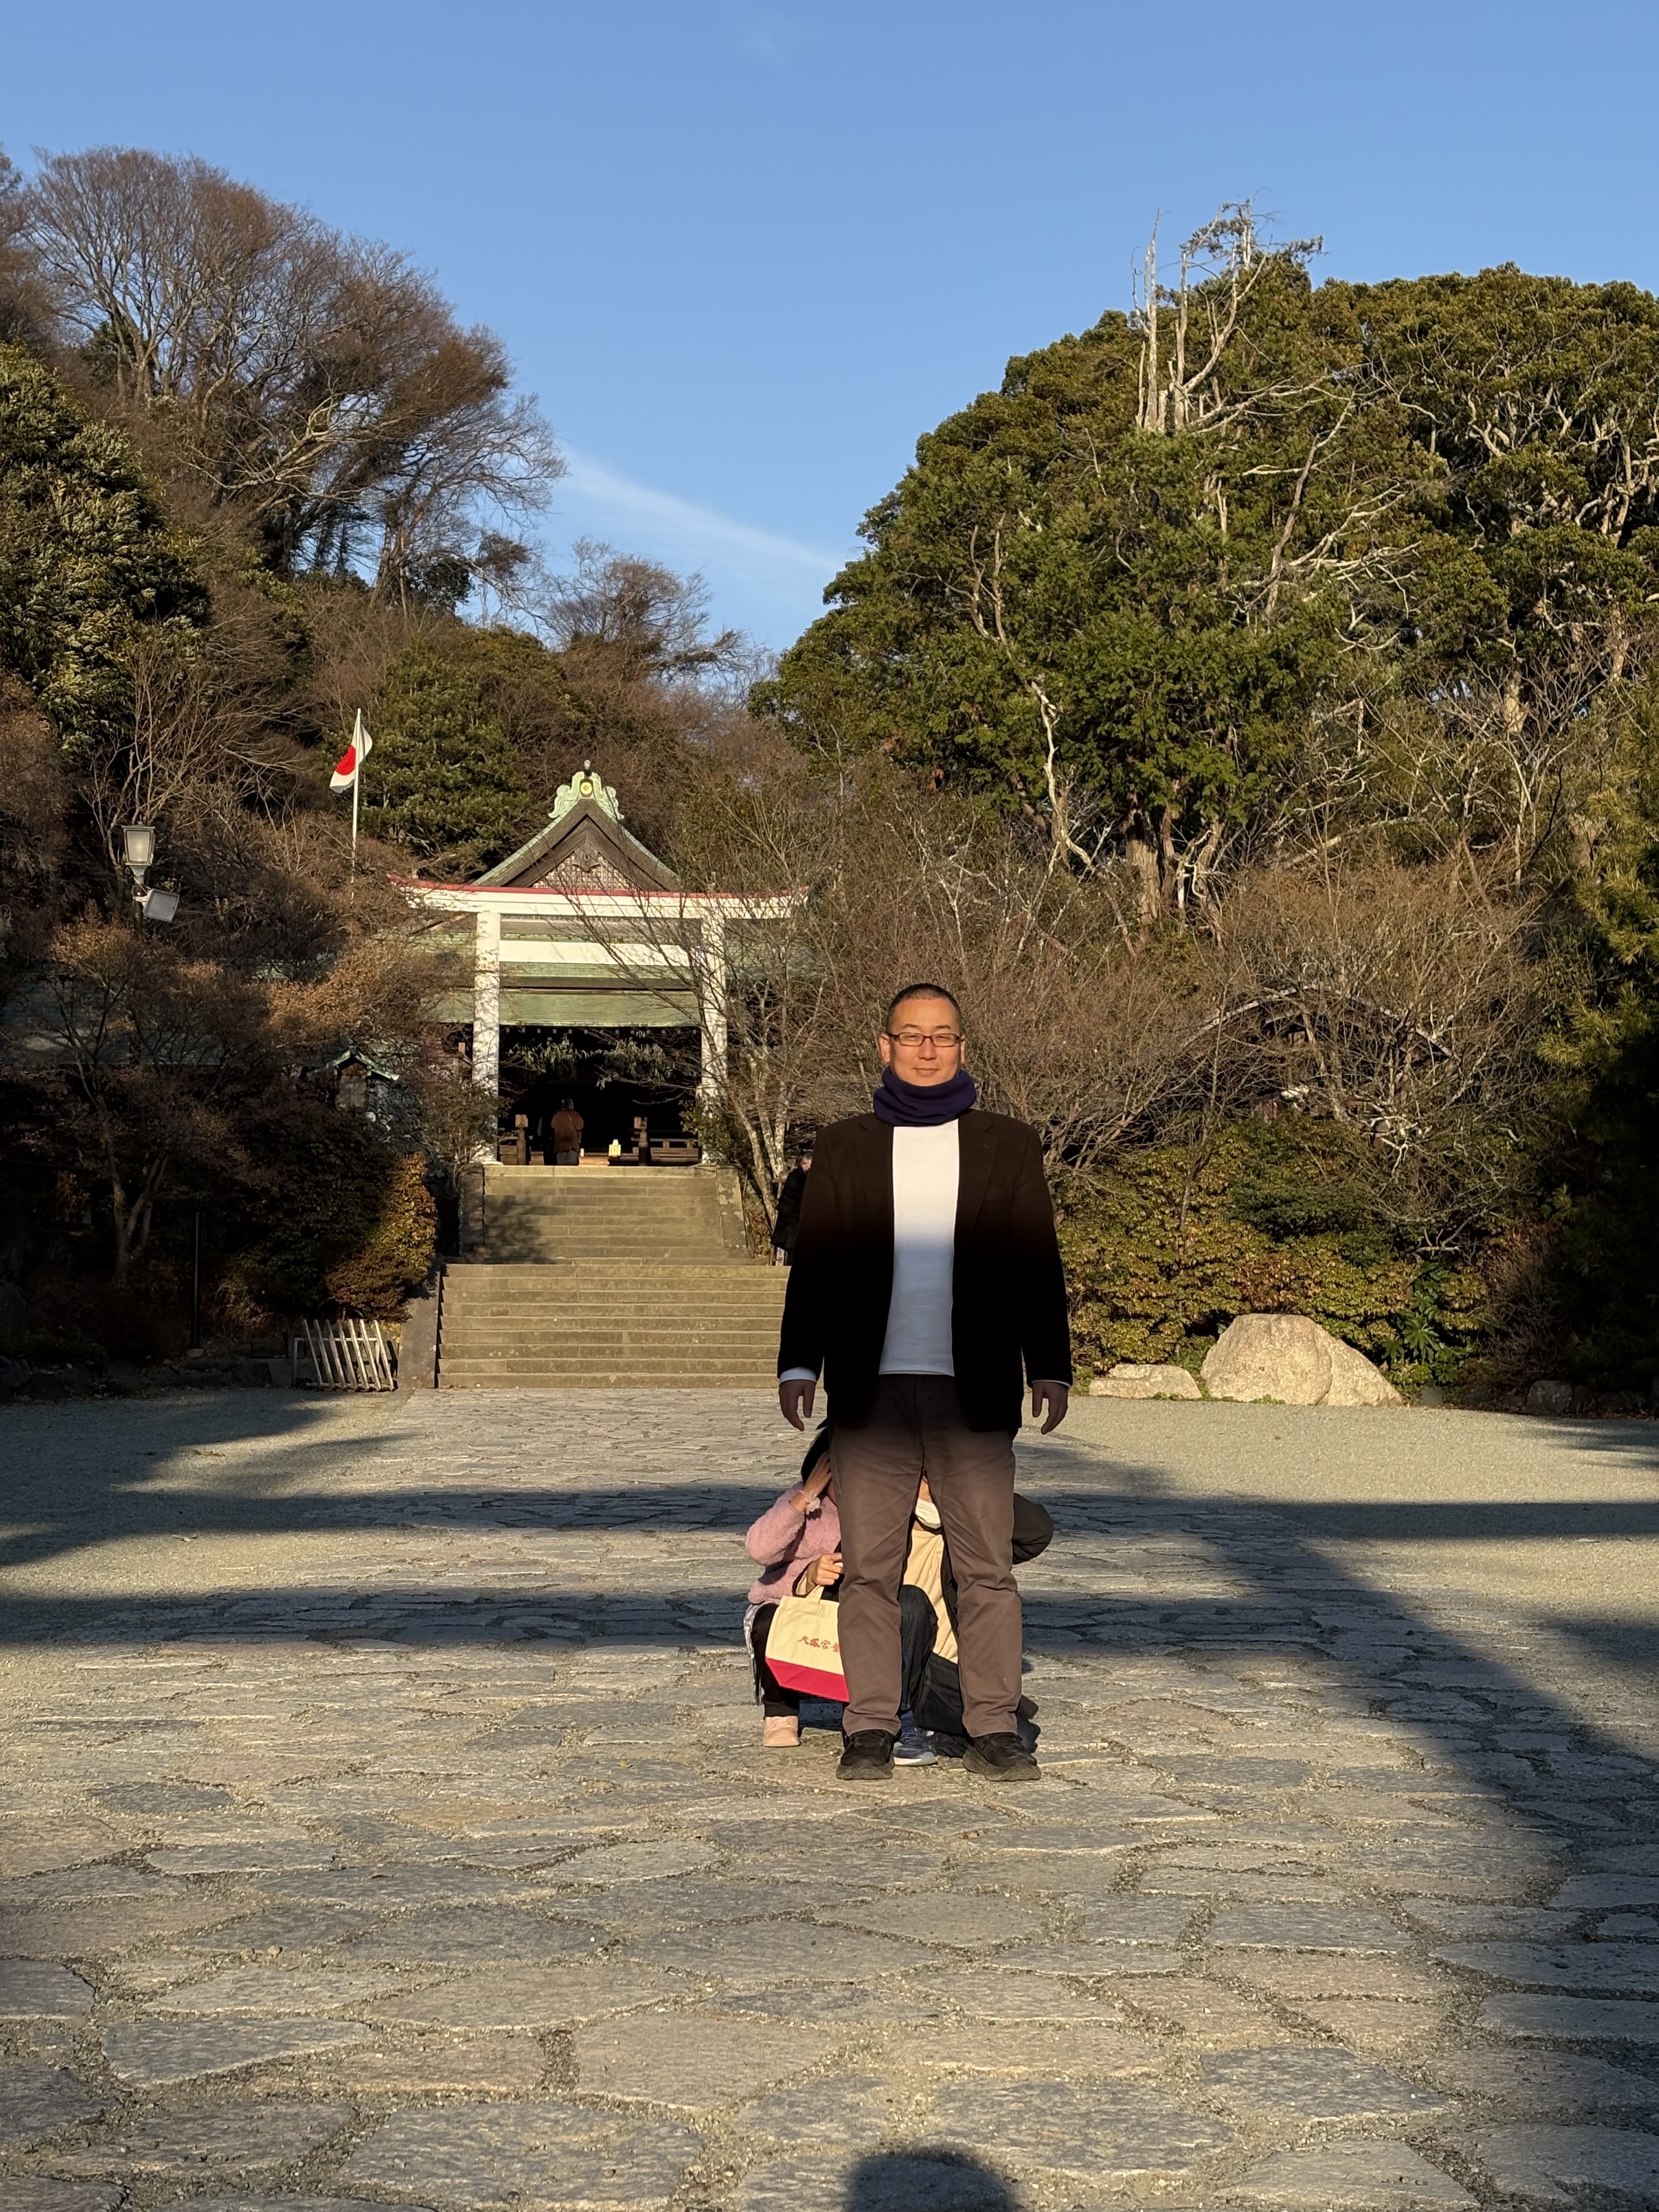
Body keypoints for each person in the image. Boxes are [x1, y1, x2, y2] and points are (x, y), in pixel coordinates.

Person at [777, 981, 1071, 1784]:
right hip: (871, 1390)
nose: (928, 1048)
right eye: (911, 1035)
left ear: (962, 1047)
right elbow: (817, 1265)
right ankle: (869, 1726)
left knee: (986, 1570)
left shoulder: (1009, 1145)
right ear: (885, 1046)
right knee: (870, 1568)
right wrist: (800, 1362)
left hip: (972, 1390)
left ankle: (993, 1727)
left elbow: (1036, 1261)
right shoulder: (845, 1146)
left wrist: (1049, 1363)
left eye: (942, 1035)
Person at [743, 1429, 936, 1753]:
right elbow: (759, 1549)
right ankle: (780, 1710)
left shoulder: (884, 1507)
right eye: (840, 1473)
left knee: (903, 1609)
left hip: (858, 1607)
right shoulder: (804, 1502)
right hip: (794, 1604)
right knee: (767, 1620)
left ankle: (870, 1714)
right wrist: (806, 1496)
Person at [770, 1146, 813, 1265]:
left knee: (794, 1240)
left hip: (793, 1212)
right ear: (806, 1163)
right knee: (792, 1240)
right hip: (792, 1213)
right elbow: (793, 1193)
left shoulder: (801, 1176)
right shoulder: (797, 1176)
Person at [550, 1098, 584, 1165]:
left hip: (560, 1146)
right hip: (573, 1146)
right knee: (572, 1167)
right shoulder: (576, 1115)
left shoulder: (557, 1116)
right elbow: (580, 1127)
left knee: (561, 1167)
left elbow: (553, 1127)